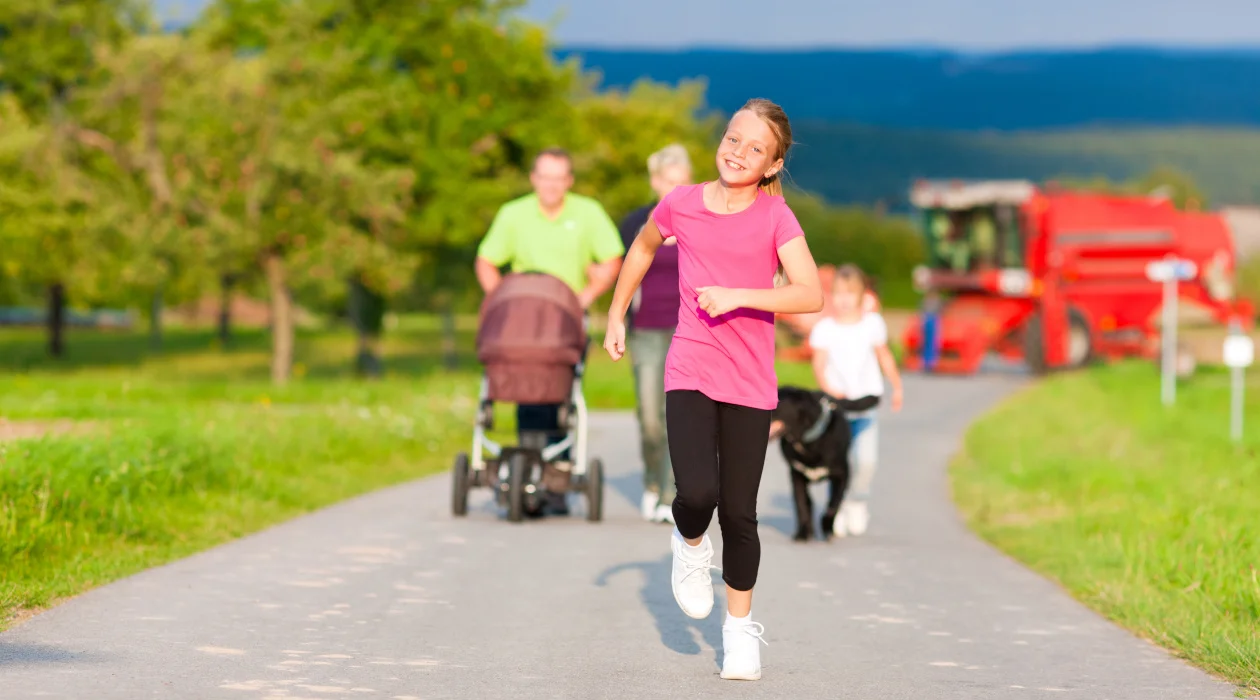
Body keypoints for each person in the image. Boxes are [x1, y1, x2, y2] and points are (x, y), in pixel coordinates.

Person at [604, 98, 823, 681]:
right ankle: (691, 543)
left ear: (771, 166)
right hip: (691, 368)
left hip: (751, 380)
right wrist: (616, 313)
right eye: (733, 139)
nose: (738, 153)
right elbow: (645, 246)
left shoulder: (776, 219)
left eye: (755, 149)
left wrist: (740, 295)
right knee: (697, 493)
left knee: (742, 513)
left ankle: (739, 631)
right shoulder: (682, 203)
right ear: (721, 140)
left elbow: (809, 293)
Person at [476, 147, 625, 515]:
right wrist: (500, 299)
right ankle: (529, 468)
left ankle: (556, 473)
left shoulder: (587, 213)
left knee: (561, 396)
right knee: (523, 388)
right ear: (534, 178)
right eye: (545, 177)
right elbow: (487, 260)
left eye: (559, 178)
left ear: (569, 182)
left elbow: (612, 258)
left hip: (565, 320)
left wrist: (585, 296)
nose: (551, 185)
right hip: (522, 322)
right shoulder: (514, 214)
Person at [617, 144, 693, 525]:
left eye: (683, 182)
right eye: (668, 182)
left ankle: (670, 494)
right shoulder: (634, 224)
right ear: (655, 181)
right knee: (649, 416)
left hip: (687, 332)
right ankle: (651, 481)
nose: (675, 189)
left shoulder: (699, 221)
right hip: (645, 331)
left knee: (674, 415)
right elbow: (623, 273)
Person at [807, 263, 904, 537]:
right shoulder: (825, 328)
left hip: (865, 408)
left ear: (863, 296)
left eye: (851, 293)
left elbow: (883, 355)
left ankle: (857, 501)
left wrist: (896, 385)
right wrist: (828, 388)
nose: (844, 300)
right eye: (838, 293)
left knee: (866, 461)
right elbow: (819, 364)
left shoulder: (872, 324)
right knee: (837, 462)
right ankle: (835, 507)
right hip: (838, 409)